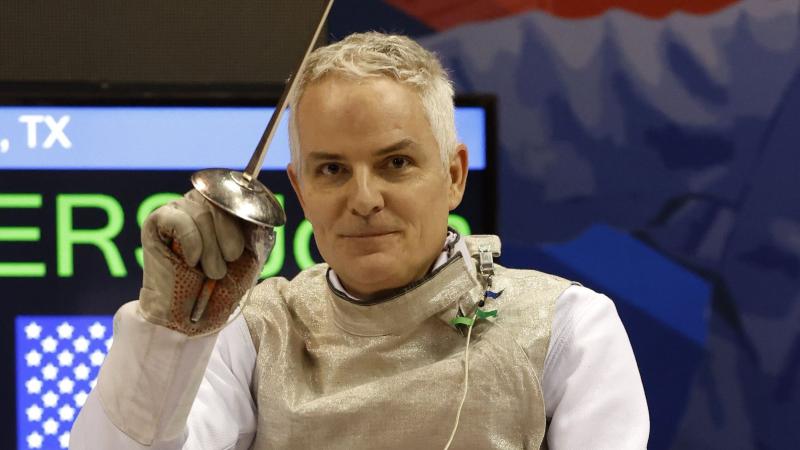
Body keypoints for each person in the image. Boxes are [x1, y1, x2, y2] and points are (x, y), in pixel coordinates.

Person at [70, 32, 649, 449]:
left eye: (395, 162)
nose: (365, 198)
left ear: (453, 175)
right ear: (298, 188)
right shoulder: (253, 330)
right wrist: (170, 335)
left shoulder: (567, 326)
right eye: (331, 170)